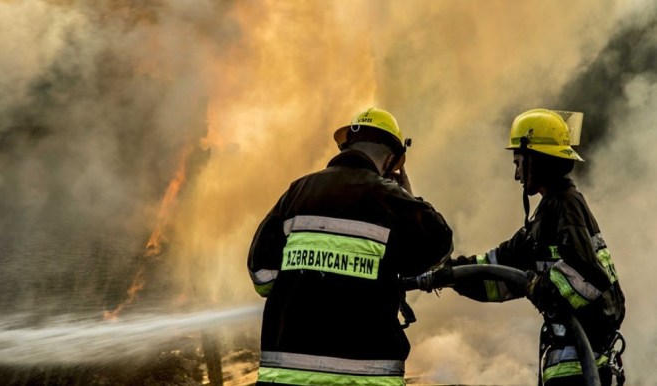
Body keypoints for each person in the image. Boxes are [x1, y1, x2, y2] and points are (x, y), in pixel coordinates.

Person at [247, 107, 453, 386]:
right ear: (392, 161)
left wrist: (306, 286)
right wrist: (409, 195)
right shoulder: (389, 197)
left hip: (288, 373)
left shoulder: (298, 191)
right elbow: (440, 244)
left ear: (346, 147)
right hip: (366, 375)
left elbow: (262, 275)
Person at [443, 109, 625, 386]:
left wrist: (541, 287)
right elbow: (500, 268)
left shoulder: (567, 203)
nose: (516, 175)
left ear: (535, 159)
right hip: (566, 366)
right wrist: (447, 273)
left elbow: (588, 274)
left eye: (518, 162)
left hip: (581, 368)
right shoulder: (546, 215)